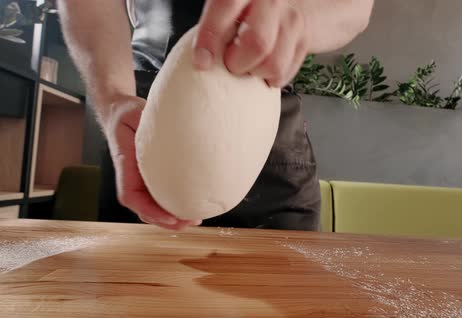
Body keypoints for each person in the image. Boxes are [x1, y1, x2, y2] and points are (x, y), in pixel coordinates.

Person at [57, 0, 374, 231]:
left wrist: (298, 16)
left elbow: (355, 8)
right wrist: (113, 97)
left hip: (267, 133)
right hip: (141, 122)